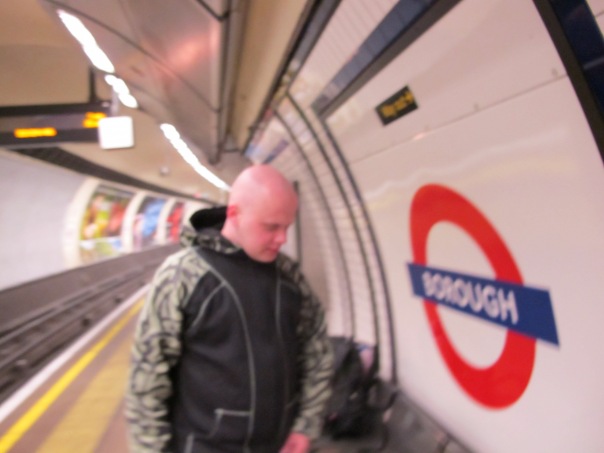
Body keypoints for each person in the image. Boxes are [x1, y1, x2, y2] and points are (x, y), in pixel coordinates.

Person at [125, 164, 334, 453]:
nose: (282, 239)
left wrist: (305, 426)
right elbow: (148, 373)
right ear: (235, 214)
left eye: (287, 227)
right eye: (271, 227)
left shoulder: (289, 277)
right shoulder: (183, 276)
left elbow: (316, 350)